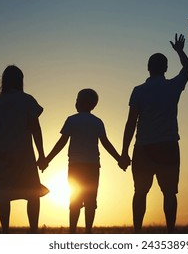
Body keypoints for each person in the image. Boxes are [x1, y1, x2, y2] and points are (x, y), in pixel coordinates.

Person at [120, 33, 188, 233]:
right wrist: (180, 51)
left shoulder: (138, 91)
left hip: (143, 148)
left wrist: (124, 152)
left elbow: (130, 123)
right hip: (168, 147)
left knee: (140, 193)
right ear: (166, 68)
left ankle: (137, 232)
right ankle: (170, 232)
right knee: (169, 193)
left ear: (148, 68)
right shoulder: (172, 86)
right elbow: (187, 68)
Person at [38, 88, 124, 234]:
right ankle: (88, 231)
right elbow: (106, 143)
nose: (76, 102)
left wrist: (47, 159)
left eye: (77, 99)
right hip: (92, 166)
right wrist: (119, 159)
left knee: (75, 200)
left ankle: (72, 231)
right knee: (91, 201)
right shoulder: (97, 122)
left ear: (81, 102)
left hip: (75, 167)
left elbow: (61, 143)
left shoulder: (71, 120)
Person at [0, 65, 49, 234]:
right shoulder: (27, 100)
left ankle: (5, 231)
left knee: (4, 196)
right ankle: (33, 231)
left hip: (2, 156)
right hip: (24, 155)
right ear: (21, 80)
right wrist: (41, 154)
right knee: (33, 193)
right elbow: (36, 129)